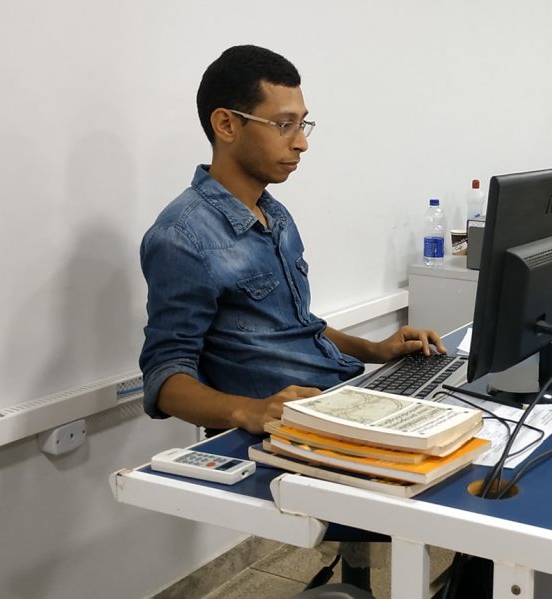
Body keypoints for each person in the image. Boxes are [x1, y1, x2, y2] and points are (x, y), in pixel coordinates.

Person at [138, 45, 446, 594]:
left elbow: (297, 323)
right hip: (291, 444)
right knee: (475, 497)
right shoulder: (181, 237)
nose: (301, 142)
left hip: (343, 402)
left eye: (304, 125)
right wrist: (252, 410)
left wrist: (376, 350)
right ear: (226, 125)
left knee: (488, 434)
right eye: (284, 125)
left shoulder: (274, 213)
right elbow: (165, 379)